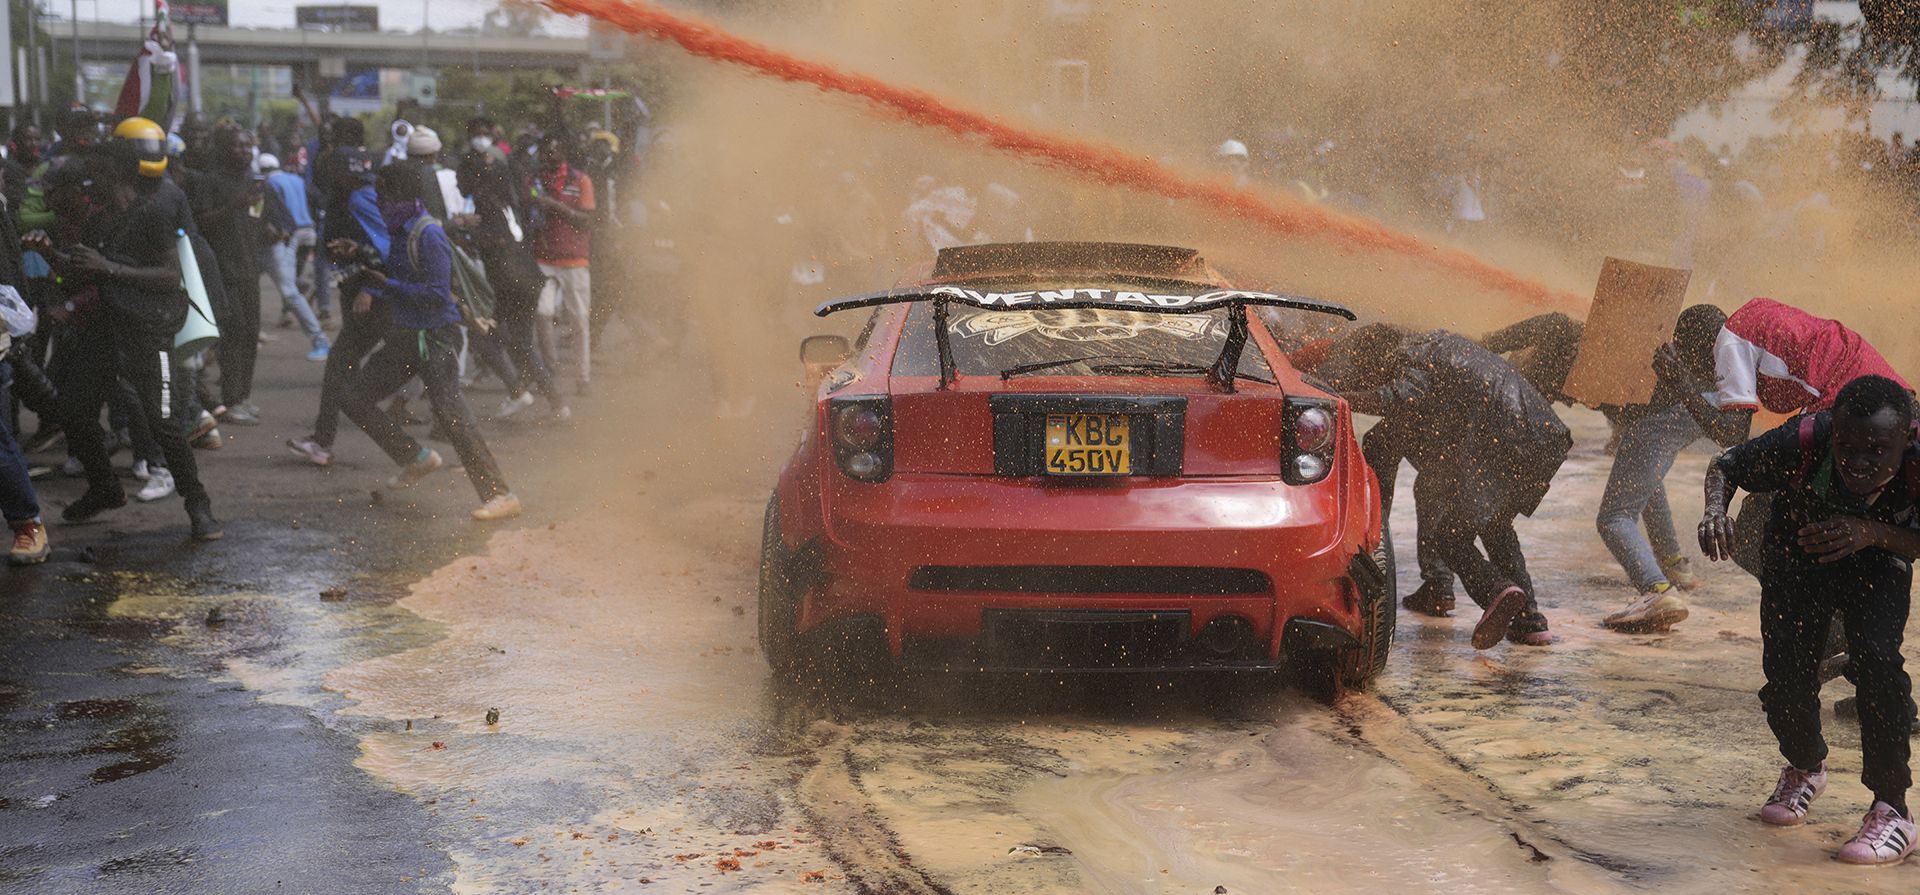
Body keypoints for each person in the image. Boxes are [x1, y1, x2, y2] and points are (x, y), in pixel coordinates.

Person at [1700, 375, 1919, 865]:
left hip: (1881, 554)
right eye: (1846, 446)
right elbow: (1725, 465)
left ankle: (1893, 811)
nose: (1858, 463)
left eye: (1877, 450)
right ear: (1832, 432)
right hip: (1798, 548)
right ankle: (1804, 765)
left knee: (1879, 667)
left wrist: (1868, 531)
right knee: (1785, 677)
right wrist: (1716, 511)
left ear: (1906, 439)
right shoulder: (1806, 437)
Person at [1325, 324, 1570, 648]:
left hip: (1509, 439)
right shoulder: (1442, 345)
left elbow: (1399, 397)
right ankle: (1530, 620)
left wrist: (1338, 398)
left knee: (1450, 536)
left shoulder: (1412, 352)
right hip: (1544, 439)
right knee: (1496, 526)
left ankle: (1494, 590)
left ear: (1379, 355)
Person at [40, 127, 220, 540]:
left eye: (96, 174)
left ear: (119, 171)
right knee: (73, 409)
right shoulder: (99, 215)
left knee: (162, 423)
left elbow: (169, 276)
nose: (89, 182)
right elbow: (82, 272)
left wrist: (111, 268)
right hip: (107, 327)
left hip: (149, 329)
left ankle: (198, 504)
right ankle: (104, 488)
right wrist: (50, 255)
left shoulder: (155, 210)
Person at [1479, 312, 1706, 632]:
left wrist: (1478, 344)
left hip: (1669, 412)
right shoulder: (1574, 364)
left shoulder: (1558, 335)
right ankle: (1672, 565)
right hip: (1686, 408)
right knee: (1641, 481)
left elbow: (1493, 342)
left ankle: (1656, 590)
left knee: (1614, 518)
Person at [334, 164, 521, 521]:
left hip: (435, 340)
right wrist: (359, 253)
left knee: (452, 416)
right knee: (354, 398)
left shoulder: (428, 234)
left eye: (385, 195)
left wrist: (386, 286)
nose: (380, 202)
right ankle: (414, 457)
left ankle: (501, 495)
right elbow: (398, 271)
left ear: (402, 196)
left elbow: (437, 294)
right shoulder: (402, 233)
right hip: (407, 339)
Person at [286, 147, 385, 468]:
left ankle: (323, 442)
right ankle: (323, 440)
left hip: (371, 297)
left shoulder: (359, 199)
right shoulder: (346, 198)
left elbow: (387, 248)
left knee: (340, 370)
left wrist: (369, 288)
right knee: (344, 369)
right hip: (358, 293)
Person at [455, 141, 568, 422]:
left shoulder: (485, 203)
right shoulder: (511, 202)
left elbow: (498, 239)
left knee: (484, 336)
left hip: (510, 280)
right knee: (522, 344)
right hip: (528, 278)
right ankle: (556, 403)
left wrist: (470, 228)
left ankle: (518, 392)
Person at [182, 123, 266, 425]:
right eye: (237, 145)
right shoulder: (210, 182)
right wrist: (234, 205)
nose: (243, 151)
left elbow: (255, 219)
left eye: (247, 145)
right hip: (223, 270)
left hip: (248, 268)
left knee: (250, 333)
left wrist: (269, 227)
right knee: (234, 334)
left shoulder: (252, 181)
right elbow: (201, 221)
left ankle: (243, 396)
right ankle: (231, 399)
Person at [529, 132, 596, 396]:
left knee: (579, 320)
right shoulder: (534, 181)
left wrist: (556, 207)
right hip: (544, 259)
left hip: (575, 259)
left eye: (554, 151)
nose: (549, 156)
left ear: (563, 154)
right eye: (545, 151)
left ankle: (583, 377)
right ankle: (551, 368)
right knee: (543, 313)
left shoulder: (581, 181)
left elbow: (587, 220)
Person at [259, 152, 328, 361]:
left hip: (280, 236)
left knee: (289, 289)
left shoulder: (268, 184)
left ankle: (319, 339)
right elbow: (317, 198)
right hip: (303, 229)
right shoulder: (295, 179)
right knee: (289, 281)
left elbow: (276, 212)